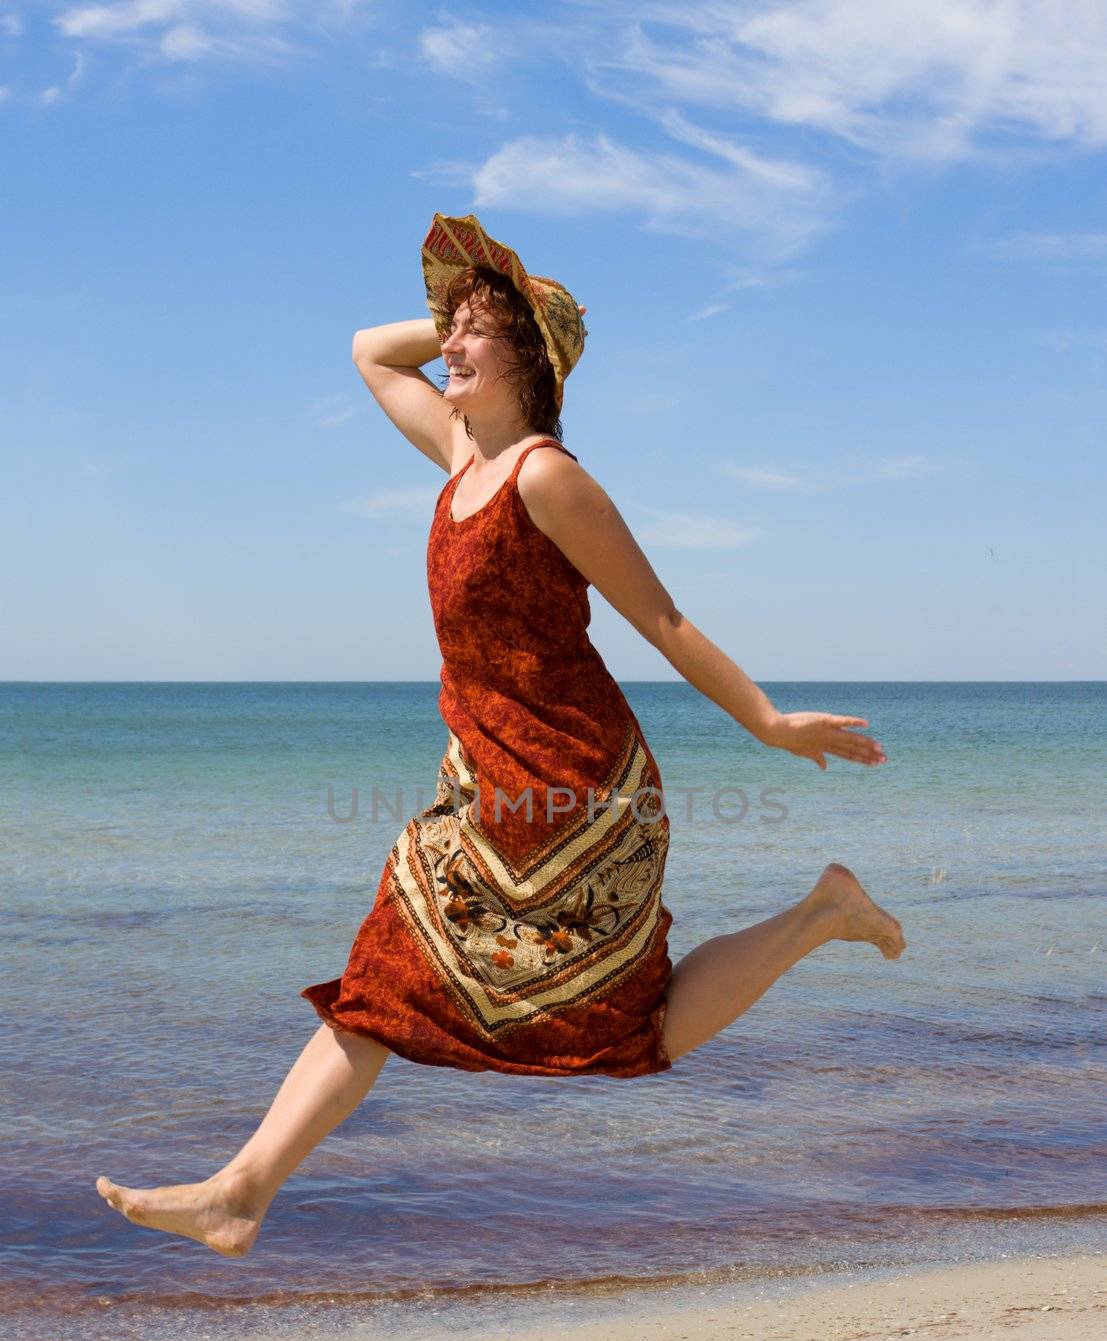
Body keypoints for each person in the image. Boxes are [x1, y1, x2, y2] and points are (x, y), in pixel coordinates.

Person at [96, 212, 905, 1258]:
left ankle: (821, 914)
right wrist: (467, 320)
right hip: (483, 777)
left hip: (575, 789)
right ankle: (242, 1190)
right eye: (448, 325)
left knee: (631, 1025)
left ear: (526, 357)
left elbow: (662, 620)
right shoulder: (456, 450)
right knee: (384, 978)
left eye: (472, 331)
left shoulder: (543, 476)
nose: (447, 343)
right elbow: (364, 352)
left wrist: (771, 722)